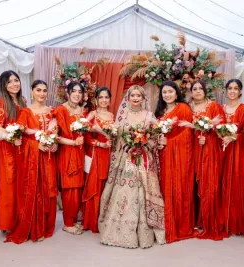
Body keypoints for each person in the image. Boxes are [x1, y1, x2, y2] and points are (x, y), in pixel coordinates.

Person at [99, 85, 166, 248]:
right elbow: (118, 137)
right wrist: (129, 147)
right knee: (125, 191)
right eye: (132, 96)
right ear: (128, 98)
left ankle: (145, 233)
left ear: (144, 99)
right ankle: (119, 232)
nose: (135, 98)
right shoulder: (123, 115)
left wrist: (144, 146)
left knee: (143, 193)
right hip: (126, 158)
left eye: (139, 96)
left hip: (144, 159)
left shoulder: (149, 116)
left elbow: (156, 137)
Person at [5, 80, 59, 244]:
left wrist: (54, 142)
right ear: (32, 92)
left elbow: (56, 131)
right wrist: (37, 145)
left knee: (48, 189)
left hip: (49, 157)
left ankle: (44, 226)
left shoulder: (52, 112)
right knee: (35, 190)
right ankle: (33, 228)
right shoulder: (25, 112)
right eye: (38, 90)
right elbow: (19, 136)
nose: (42, 93)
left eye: (44, 90)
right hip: (32, 158)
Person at [155, 81, 195, 243]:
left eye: (170, 91)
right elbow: (156, 133)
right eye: (164, 92)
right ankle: (165, 224)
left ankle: (179, 226)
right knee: (164, 186)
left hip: (179, 157)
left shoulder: (183, 108)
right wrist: (159, 141)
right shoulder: (161, 112)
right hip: (164, 156)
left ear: (177, 93)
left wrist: (169, 142)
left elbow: (187, 134)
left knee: (178, 186)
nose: (167, 95)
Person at [188, 80, 227, 240]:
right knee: (192, 184)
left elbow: (222, 129)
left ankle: (208, 221)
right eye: (194, 89)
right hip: (191, 150)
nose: (197, 91)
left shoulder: (213, 107)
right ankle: (196, 219)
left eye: (200, 88)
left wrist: (208, 137)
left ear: (205, 91)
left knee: (208, 184)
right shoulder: (187, 107)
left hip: (209, 151)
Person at [0, 70, 26, 234]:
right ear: (4, 85)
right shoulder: (1, 103)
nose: (14, 84)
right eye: (10, 82)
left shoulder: (23, 101)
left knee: (21, 184)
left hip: (22, 148)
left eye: (16, 80)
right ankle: (7, 223)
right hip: (7, 150)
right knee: (8, 185)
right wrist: (12, 138)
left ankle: (20, 219)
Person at [52, 82, 88, 235]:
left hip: (80, 152)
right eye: (74, 91)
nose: (77, 94)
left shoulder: (83, 111)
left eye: (80, 92)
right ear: (67, 93)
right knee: (69, 187)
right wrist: (72, 142)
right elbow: (54, 136)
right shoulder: (60, 110)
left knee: (78, 187)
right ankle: (67, 222)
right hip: (67, 151)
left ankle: (73, 219)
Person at [221, 79, 244, 237]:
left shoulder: (243, 109)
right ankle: (222, 221)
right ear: (226, 90)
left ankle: (235, 223)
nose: (232, 91)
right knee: (221, 184)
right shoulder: (221, 108)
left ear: (240, 91)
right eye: (230, 88)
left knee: (235, 183)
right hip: (221, 151)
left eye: (236, 88)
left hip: (237, 151)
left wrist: (234, 137)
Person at [81, 87, 114, 233]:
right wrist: (100, 143)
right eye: (101, 97)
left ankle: (103, 220)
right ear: (96, 99)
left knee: (105, 186)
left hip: (108, 154)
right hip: (94, 154)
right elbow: (85, 136)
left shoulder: (112, 116)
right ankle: (91, 221)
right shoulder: (92, 114)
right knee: (93, 185)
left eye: (106, 97)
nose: (104, 100)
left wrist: (111, 141)